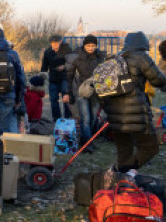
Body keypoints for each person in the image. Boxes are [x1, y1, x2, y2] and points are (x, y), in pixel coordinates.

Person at [98, 32, 166, 172]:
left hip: (114, 114)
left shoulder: (115, 58)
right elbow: (158, 80)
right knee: (150, 147)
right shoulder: (141, 57)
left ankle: (121, 182)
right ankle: (125, 171)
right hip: (136, 113)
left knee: (124, 151)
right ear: (143, 44)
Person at [62, 35, 106, 150]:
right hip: (82, 91)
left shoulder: (100, 58)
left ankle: (85, 140)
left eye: (93, 46)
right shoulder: (77, 58)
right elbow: (69, 76)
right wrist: (68, 93)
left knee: (93, 118)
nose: (91, 48)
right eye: (88, 46)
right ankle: (88, 144)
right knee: (85, 118)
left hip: (96, 92)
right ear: (84, 45)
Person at [41, 34, 73, 120]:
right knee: (53, 99)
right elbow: (44, 67)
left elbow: (73, 63)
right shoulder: (48, 52)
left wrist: (64, 66)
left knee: (66, 99)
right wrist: (42, 78)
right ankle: (56, 119)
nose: (55, 45)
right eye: (53, 43)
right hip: (53, 78)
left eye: (57, 43)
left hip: (65, 77)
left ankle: (67, 117)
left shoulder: (67, 50)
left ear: (61, 41)